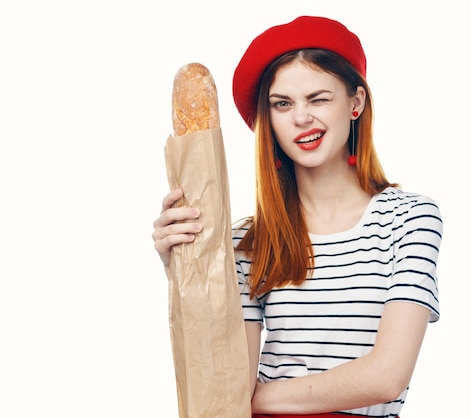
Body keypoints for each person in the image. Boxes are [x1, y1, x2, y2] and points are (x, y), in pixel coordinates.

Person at [153, 15, 443, 418]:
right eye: (282, 104)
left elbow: (387, 377)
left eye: (318, 98)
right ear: (268, 119)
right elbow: (221, 376)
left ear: (355, 102)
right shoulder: (248, 241)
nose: (301, 118)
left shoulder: (409, 219)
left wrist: (250, 399)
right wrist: (186, 267)